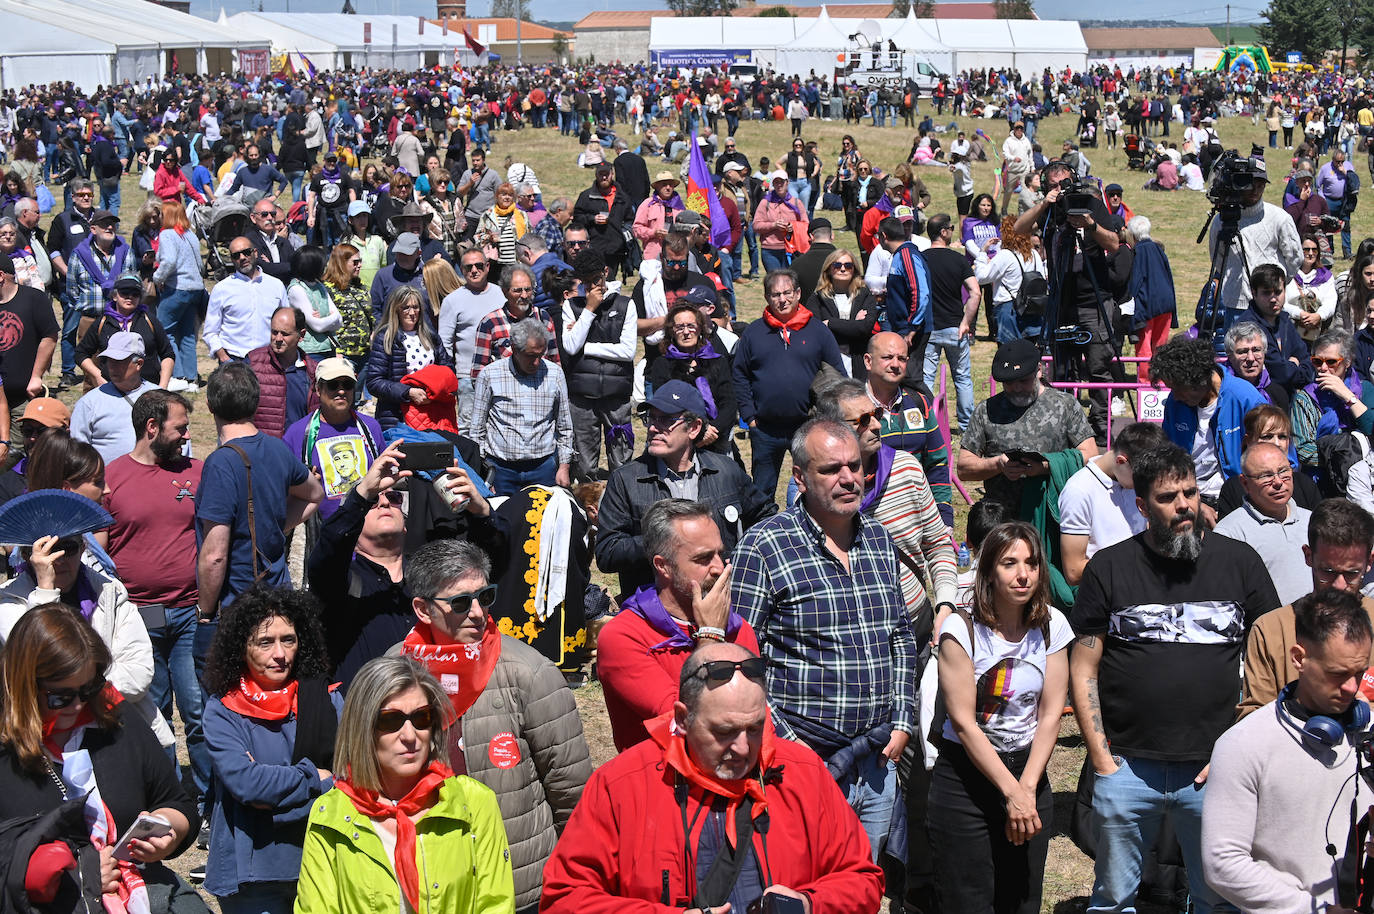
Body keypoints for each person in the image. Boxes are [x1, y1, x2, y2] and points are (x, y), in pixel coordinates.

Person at [1069, 444, 1280, 914]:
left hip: (1217, 770)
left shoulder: (1239, 563)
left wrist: (1243, 752)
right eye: (1168, 497)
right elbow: (1083, 666)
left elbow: (1272, 661)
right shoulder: (1109, 567)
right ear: (1142, 506)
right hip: (1127, 765)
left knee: (1217, 899)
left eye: (1190, 491)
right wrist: (1103, 759)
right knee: (1113, 899)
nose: (1184, 504)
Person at [541, 641, 885, 914]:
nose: (742, 747)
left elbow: (863, 881)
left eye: (754, 728)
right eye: (724, 731)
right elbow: (564, 901)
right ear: (683, 717)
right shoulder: (620, 785)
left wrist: (810, 905)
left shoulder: (803, 773)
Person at [731, 418, 917, 856]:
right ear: (799, 477)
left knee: (859, 885)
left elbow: (901, 637)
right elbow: (739, 661)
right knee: (799, 884)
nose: (849, 478)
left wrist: (903, 718)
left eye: (855, 465)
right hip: (800, 761)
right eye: (832, 469)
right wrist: (793, 751)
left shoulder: (878, 540)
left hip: (876, 758)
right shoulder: (765, 547)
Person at [402, 539, 591, 913]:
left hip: (517, 887)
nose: (476, 612)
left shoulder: (529, 672)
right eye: (459, 602)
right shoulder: (394, 671)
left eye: (484, 597)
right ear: (423, 609)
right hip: (427, 884)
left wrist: (572, 880)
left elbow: (571, 790)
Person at [0, 603, 199, 914]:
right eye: (61, 697)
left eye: (89, 688)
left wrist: (169, 831)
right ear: (25, 686)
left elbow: (176, 802)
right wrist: (77, 876)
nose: (78, 705)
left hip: (141, 895)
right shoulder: (6, 752)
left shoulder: (114, 718)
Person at [294, 656, 515, 914]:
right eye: (391, 720)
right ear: (362, 727)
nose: (410, 735)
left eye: (421, 718)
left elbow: (496, 905)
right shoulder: (329, 814)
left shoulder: (473, 803)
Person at [930, 521, 1071, 914]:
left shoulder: (1052, 625)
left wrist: (1025, 790)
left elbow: (1050, 715)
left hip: (1027, 772)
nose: (1023, 574)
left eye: (1031, 563)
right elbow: (963, 723)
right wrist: (1012, 793)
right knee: (967, 901)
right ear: (989, 569)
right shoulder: (962, 629)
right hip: (966, 780)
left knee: (1021, 900)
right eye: (1010, 563)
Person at [1203, 588, 1372, 913]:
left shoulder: (1369, 730)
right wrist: (1311, 909)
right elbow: (1222, 863)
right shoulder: (1243, 745)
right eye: (1338, 674)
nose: (1352, 688)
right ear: (1299, 658)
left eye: (1359, 673)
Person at [201, 586, 341, 914]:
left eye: (288, 640)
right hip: (251, 875)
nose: (280, 654)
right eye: (265, 642)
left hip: (319, 859)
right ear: (241, 647)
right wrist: (316, 780)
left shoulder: (327, 699)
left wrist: (272, 797)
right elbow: (248, 784)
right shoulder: (223, 709)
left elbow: (352, 777)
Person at [103, 388, 208, 802]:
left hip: (190, 612)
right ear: (152, 427)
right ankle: (164, 801)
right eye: (179, 428)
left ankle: (206, 801)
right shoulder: (111, 478)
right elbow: (98, 552)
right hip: (135, 619)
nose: (186, 436)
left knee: (198, 712)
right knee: (153, 714)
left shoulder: (198, 472)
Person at [596, 380, 775, 597]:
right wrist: (662, 540)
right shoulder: (626, 480)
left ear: (694, 428)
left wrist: (742, 560)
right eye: (651, 418)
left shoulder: (726, 471)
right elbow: (607, 553)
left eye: (666, 420)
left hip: (720, 600)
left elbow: (767, 520)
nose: (653, 427)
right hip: (654, 611)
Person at [815, 380, 957, 635]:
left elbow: (937, 544)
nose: (878, 426)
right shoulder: (816, 492)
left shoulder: (906, 469)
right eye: (864, 420)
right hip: (850, 642)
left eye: (877, 414)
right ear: (832, 430)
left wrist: (945, 604)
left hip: (916, 627)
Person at [196, 362, 324, 631]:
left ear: (210, 405)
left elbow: (215, 556)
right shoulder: (277, 449)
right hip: (278, 596)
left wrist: (205, 611)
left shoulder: (220, 463)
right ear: (256, 404)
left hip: (238, 606)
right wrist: (276, 526)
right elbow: (314, 495)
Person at [1013, 159, 1123, 443]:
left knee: (1099, 368)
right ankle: (1067, 426)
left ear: (1073, 180)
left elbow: (1113, 243)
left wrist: (1090, 224)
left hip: (1094, 302)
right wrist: (1044, 204)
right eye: (1053, 185)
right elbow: (1019, 229)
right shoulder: (1050, 211)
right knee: (1064, 370)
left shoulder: (1091, 202)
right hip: (1062, 303)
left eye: (1064, 184)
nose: (1060, 190)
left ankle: (1101, 428)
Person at [732, 269, 845, 501]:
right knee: (762, 491)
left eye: (787, 293)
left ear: (798, 293)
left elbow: (837, 375)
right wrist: (749, 415)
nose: (782, 299)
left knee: (812, 485)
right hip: (765, 428)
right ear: (766, 297)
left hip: (807, 426)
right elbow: (740, 374)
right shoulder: (753, 333)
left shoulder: (818, 331)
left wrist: (827, 416)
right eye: (775, 295)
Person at [958, 339, 1097, 511]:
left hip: (1053, 512)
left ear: (1039, 370)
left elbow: (1090, 455)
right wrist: (998, 465)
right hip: (1003, 520)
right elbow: (964, 468)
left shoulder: (1065, 405)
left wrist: (1045, 468)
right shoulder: (986, 410)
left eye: (1023, 381)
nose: (1016, 388)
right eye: (1008, 383)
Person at [1151, 334, 1266, 518]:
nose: (1176, 396)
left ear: (1199, 379)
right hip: (1188, 500)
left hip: (1239, 500)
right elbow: (1169, 457)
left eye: (1179, 388)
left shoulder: (1245, 398)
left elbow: (1275, 455)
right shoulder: (1175, 403)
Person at [555, 251, 636, 481]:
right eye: (586, 281)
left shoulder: (625, 305)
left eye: (596, 279)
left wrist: (587, 347)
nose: (592, 286)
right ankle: (586, 506)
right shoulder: (573, 306)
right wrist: (589, 309)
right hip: (582, 395)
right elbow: (570, 346)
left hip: (616, 393)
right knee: (585, 462)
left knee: (621, 458)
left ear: (606, 273)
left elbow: (627, 351)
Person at [1057, 421, 1170, 587]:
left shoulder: (1130, 479)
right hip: (1106, 593)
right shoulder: (1079, 491)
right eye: (1142, 478)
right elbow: (1073, 572)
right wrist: (1138, 560)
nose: (1146, 484)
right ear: (1121, 461)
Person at [470, 318, 573, 494]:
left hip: (543, 467)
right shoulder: (490, 375)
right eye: (531, 356)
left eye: (540, 355)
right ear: (515, 350)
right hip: (501, 469)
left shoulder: (554, 374)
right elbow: (477, 429)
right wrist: (481, 471)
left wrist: (564, 466)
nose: (536, 362)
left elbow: (565, 426)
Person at [1205, 153, 1303, 319]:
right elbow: (1218, 259)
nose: (1255, 190)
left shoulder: (1279, 218)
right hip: (1234, 303)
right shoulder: (1221, 220)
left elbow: (1295, 257)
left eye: (1260, 185)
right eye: (1251, 184)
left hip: (1270, 304)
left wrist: (1274, 286)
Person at [283, 358, 384, 519]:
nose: (341, 391)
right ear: (318, 389)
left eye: (347, 385)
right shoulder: (297, 433)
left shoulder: (371, 427)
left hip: (368, 524)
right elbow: (284, 486)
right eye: (333, 385)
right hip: (321, 530)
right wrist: (304, 483)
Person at [645, 298, 737, 452]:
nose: (686, 332)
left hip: (715, 437)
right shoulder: (662, 365)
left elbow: (729, 403)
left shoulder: (717, 361)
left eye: (691, 326)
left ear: (700, 329)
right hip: (676, 439)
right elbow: (666, 406)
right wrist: (697, 432)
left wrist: (711, 430)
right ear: (671, 331)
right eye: (679, 327)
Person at [921, 214, 981, 432]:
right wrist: (966, 322)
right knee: (963, 379)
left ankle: (925, 422)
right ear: (944, 232)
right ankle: (966, 426)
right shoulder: (958, 260)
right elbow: (975, 292)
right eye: (951, 228)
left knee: (926, 378)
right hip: (955, 327)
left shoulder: (920, 258)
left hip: (928, 328)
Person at [365, 286, 454, 432]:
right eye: (405, 308)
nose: (412, 313)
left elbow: (448, 369)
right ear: (396, 310)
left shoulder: (431, 336)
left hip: (432, 413)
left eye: (415, 307)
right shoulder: (386, 337)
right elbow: (374, 381)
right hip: (397, 418)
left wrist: (434, 390)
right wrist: (407, 392)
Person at [70, 331, 160, 465]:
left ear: (139, 364)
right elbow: (76, 450)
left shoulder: (160, 397)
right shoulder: (89, 402)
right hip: (105, 482)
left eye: (119, 362)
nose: (112, 367)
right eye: (109, 361)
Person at [1292, 329, 1374, 470]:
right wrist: (1345, 457)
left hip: (1365, 475)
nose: (1323, 368)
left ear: (1347, 362)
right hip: (1323, 480)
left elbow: (1371, 429)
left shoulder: (1364, 389)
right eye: (1317, 362)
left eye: (1331, 362)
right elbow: (1303, 451)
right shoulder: (1305, 398)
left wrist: (1347, 396)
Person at [76, 274, 173, 389]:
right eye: (124, 292)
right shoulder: (102, 323)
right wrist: (98, 376)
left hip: (147, 388)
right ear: (115, 296)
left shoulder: (149, 320)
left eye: (135, 293)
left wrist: (162, 386)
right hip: (111, 388)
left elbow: (167, 354)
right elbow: (81, 353)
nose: (129, 297)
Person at [204, 239, 289, 364]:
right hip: (234, 359)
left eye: (246, 252)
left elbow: (287, 324)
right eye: (236, 255)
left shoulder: (276, 285)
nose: (242, 258)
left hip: (269, 359)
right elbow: (210, 331)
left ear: (255, 253)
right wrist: (223, 356)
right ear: (232, 260)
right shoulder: (222, 289)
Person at [1238, 263, 1313, 402]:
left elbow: (1306, 358)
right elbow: (1280, 373)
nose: (1273, 299)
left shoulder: (1284, 320)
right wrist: (1293, 365)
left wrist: (1294, 369)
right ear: (1254, 293)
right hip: (1262, 402)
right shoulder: (1247, 327)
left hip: (1289, 399)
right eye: (1266, 293)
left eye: (1278, 292)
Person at [970, 216, 1046, 345]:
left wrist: (983, 252)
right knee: (1031, 354)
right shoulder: (1034, 254)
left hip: (1009, 308)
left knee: (1009, 355)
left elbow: (982, 277)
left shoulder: (1006, 255)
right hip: (1032, 307)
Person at [247, 307, 320, 441]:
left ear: (301, 335)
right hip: (261, 450)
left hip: (297, 452)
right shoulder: (252, 364)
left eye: (285, 334)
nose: (278, 338)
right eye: (274, 332)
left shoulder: (313, 373)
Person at [807, 248, 880, 378]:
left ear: (854, 269)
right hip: (829, 363)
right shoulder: (817, 298)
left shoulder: (864, 294)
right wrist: (853, 325)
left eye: (848, 265)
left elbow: (865, 328)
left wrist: (830, 323)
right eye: (837, 265)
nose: (842, 269)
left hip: (859, 361)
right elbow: (817, 332)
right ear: (829, 269)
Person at [752, 170, 808, 273]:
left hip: (792, 249)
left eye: (782, 182)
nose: (779, 185)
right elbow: (756, 225)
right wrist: (773, 225)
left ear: (787, 183)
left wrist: (793, 228)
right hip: (770, 250)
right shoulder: (765, 203)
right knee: (775, 281)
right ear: (772, 184)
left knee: (790, 280)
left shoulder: (796, 202)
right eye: (776, 182)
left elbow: (806, 225)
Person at [1286, 236, 1339, 342]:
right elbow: (1281, 303)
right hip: (1290, 331)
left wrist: (1318, 316)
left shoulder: (1325, 276)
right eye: (1306, 249)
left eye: (1314, 250)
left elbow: (1330, 302)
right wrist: (1299, 314)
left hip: (1318, 333)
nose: (1310, 253)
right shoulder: (1287, 274)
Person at [633, 171, 685, 263]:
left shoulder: (680, 206)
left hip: (676, 257)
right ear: (657, 186)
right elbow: (636, 229)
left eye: (670, 185)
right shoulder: (647, 205)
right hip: (653, 257)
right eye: (664, 185)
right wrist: (653, 233)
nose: (668, 188)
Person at [248, 199, 293, 285]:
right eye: (264, 215)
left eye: (273, 214)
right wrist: (290, 266)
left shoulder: (283, 241)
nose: (269, 218)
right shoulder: (249, 241)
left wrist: (272, 265)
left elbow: (297, 262)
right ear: (253, 218)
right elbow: (263, 268)